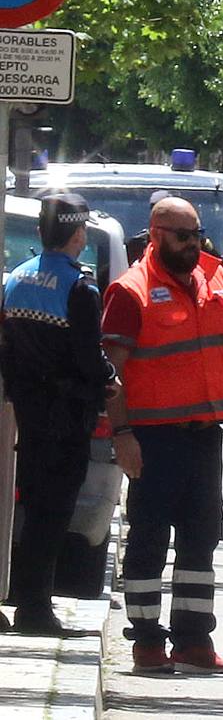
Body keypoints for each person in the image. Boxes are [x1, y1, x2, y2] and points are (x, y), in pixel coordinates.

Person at [102, 197, 223, 675]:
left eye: (196, 234)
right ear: (156, 236)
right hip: (152, 439)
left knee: (201, 539)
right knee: (150, 540)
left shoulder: (215, 278)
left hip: (202, 437)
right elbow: (110, 374)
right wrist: (123, 435)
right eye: (182, 235)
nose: (192, 243)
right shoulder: (130, 291)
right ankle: (147, 643)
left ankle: (194, 640)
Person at [0, 194, 117, 636]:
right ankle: (34, 609)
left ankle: (26, 602)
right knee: (53, 515)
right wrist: (107, 376)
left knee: (32, 507)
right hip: (67, 417)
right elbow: (89, 358)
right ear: (78, 234)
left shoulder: (17, 279)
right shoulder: (78, 289)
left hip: (29, 414)